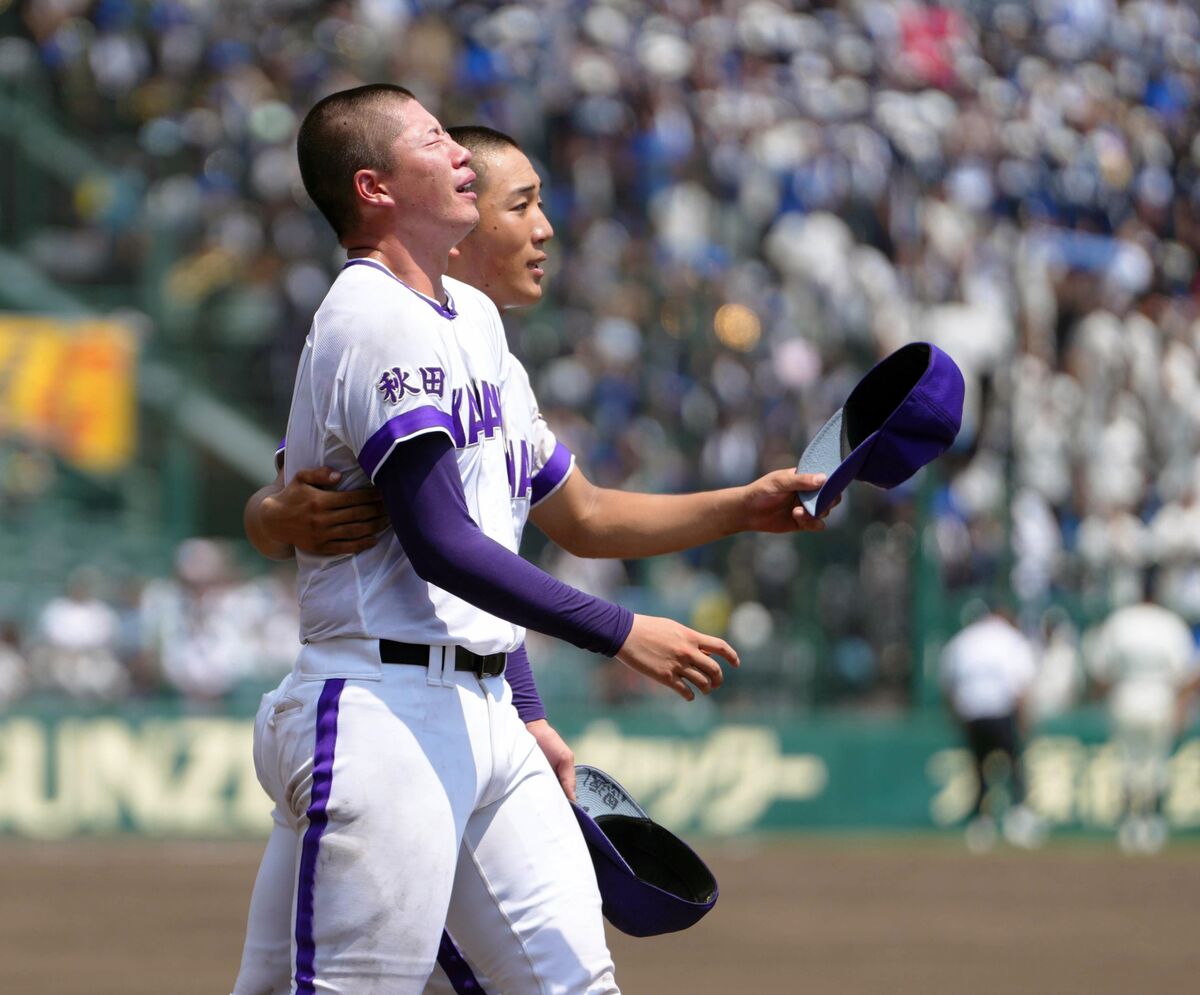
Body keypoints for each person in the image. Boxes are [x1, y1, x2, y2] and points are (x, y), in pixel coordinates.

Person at [235, 115, 830, 994]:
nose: (542, 223)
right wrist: (620, 630)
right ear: (378, 188)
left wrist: (740, 507)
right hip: (381, 702)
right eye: (524, 202)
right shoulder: (372, 317)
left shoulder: (474, 324)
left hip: (477, 702)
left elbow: (579, 516)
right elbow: (431, 541)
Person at [1087, 572, 1200, 854]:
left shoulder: (1120, 621)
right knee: (1155, 764)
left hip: (1126, 696)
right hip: (1160, 697)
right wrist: (1181, 707)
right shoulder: (1170, 623)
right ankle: (1152, 822)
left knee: (1128, 762)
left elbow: (1100, 672)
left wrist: (1103, 697)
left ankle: (1129, 822)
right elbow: (1189, 674)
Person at [939, 600, 1043, 851]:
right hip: (1001, 710)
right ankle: (1019, 819)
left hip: (971, 712)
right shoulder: (1010, 639)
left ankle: (980, 824)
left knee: (979, 768)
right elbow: (1021, 685)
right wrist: (1025, 720)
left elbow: (948, 683)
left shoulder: (963, 639)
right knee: (1015, 765)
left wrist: (957, 717)